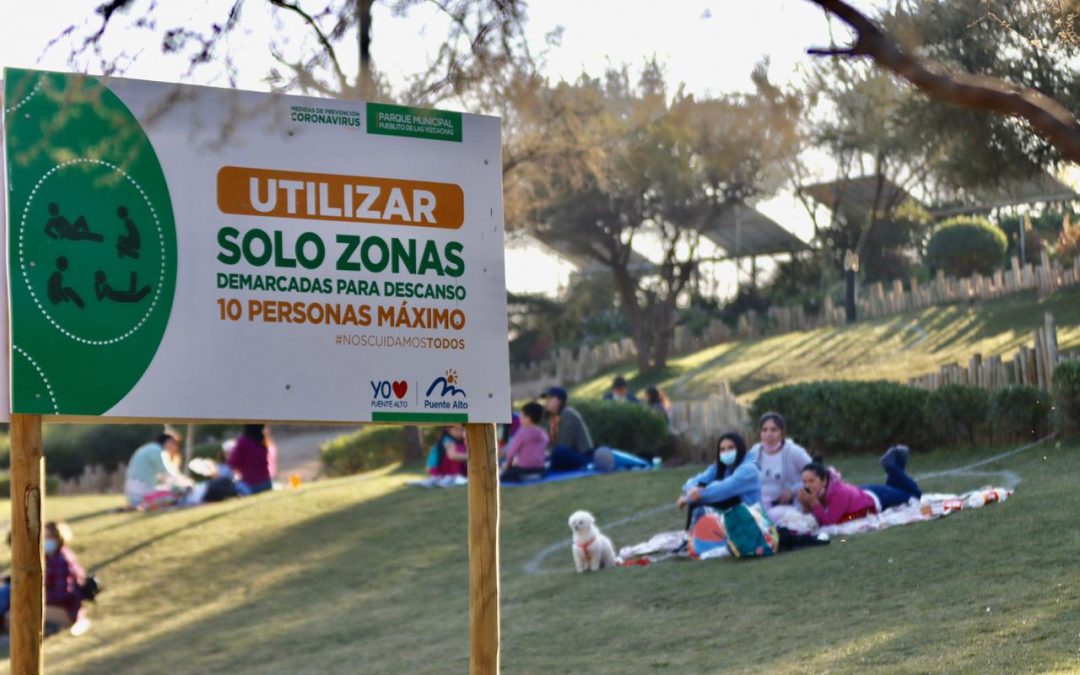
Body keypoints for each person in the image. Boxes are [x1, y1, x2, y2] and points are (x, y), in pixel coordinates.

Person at [798, 445, 924, 526]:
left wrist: (813, 503)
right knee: (897, 488)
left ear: (824, 480)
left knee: (915, 496)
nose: (807, 485)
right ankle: (897, 462)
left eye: (811, 481)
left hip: (875, 498)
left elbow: (830, 521)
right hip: (861, 495)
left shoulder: (837, 492)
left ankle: (891, 466)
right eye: (804, 482)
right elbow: (812, 518)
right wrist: (805, 505)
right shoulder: (820, 490)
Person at [677, 432, 761, 530]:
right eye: (722, 449)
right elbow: (694, 480)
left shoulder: (749, 468)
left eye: (731, 448)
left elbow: (723, 490)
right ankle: (692, 538)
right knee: (698, 504)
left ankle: (693, 539)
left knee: (699, 504)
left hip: (754, 522)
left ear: (740, 448)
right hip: (736, 516)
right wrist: (692, 489)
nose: (726, 452)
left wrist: (689, 498)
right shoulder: (722, 466)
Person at [750, 412, 812, 511]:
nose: (768, 434)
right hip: (761, 509)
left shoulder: (794, 452)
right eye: (764, 430)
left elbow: (816, 476)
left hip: (791, 508)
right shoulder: (755, 452)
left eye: (774, 429)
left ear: (782, 433)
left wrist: (792, 491)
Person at [44, 522, 91, 636]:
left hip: (67, 611)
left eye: (49, 537)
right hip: (55, 605)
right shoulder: (49, 557)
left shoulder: (61, 560)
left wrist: (38, 597)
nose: (46, 540)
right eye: (44, 537)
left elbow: (63, 594)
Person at [124, 432, 191, 507]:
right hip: (141, 493)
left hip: (135, 492)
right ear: (166, 442)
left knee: (170, 492)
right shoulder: (156, 450)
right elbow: (167, 474)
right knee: (174, 496)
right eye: (173, 443)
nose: (174, 447)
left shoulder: (151, 448)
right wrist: (184, 485)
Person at [543, 387, 595, 472]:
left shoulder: (568, 415)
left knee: (558, 451)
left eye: (550, 398)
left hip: (583, 457)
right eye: (546, 399)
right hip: (567, 455)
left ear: (560, 401)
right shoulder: (552, 420)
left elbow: (565, 445)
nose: (547, 402)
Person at [500, 402, 549, 482]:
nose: (519, 417)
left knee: (504, 476)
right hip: (540, 470)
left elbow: (512, 451)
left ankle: (525, 477)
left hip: (523, 470)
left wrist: (507, 465)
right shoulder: (543, 433)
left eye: (521, 415)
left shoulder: (522, 433)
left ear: (528, 418)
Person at [228, 424, 278, 494]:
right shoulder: (263, 441)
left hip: (250, 484)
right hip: (266, 482)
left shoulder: (243, 442)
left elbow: (232, 462)